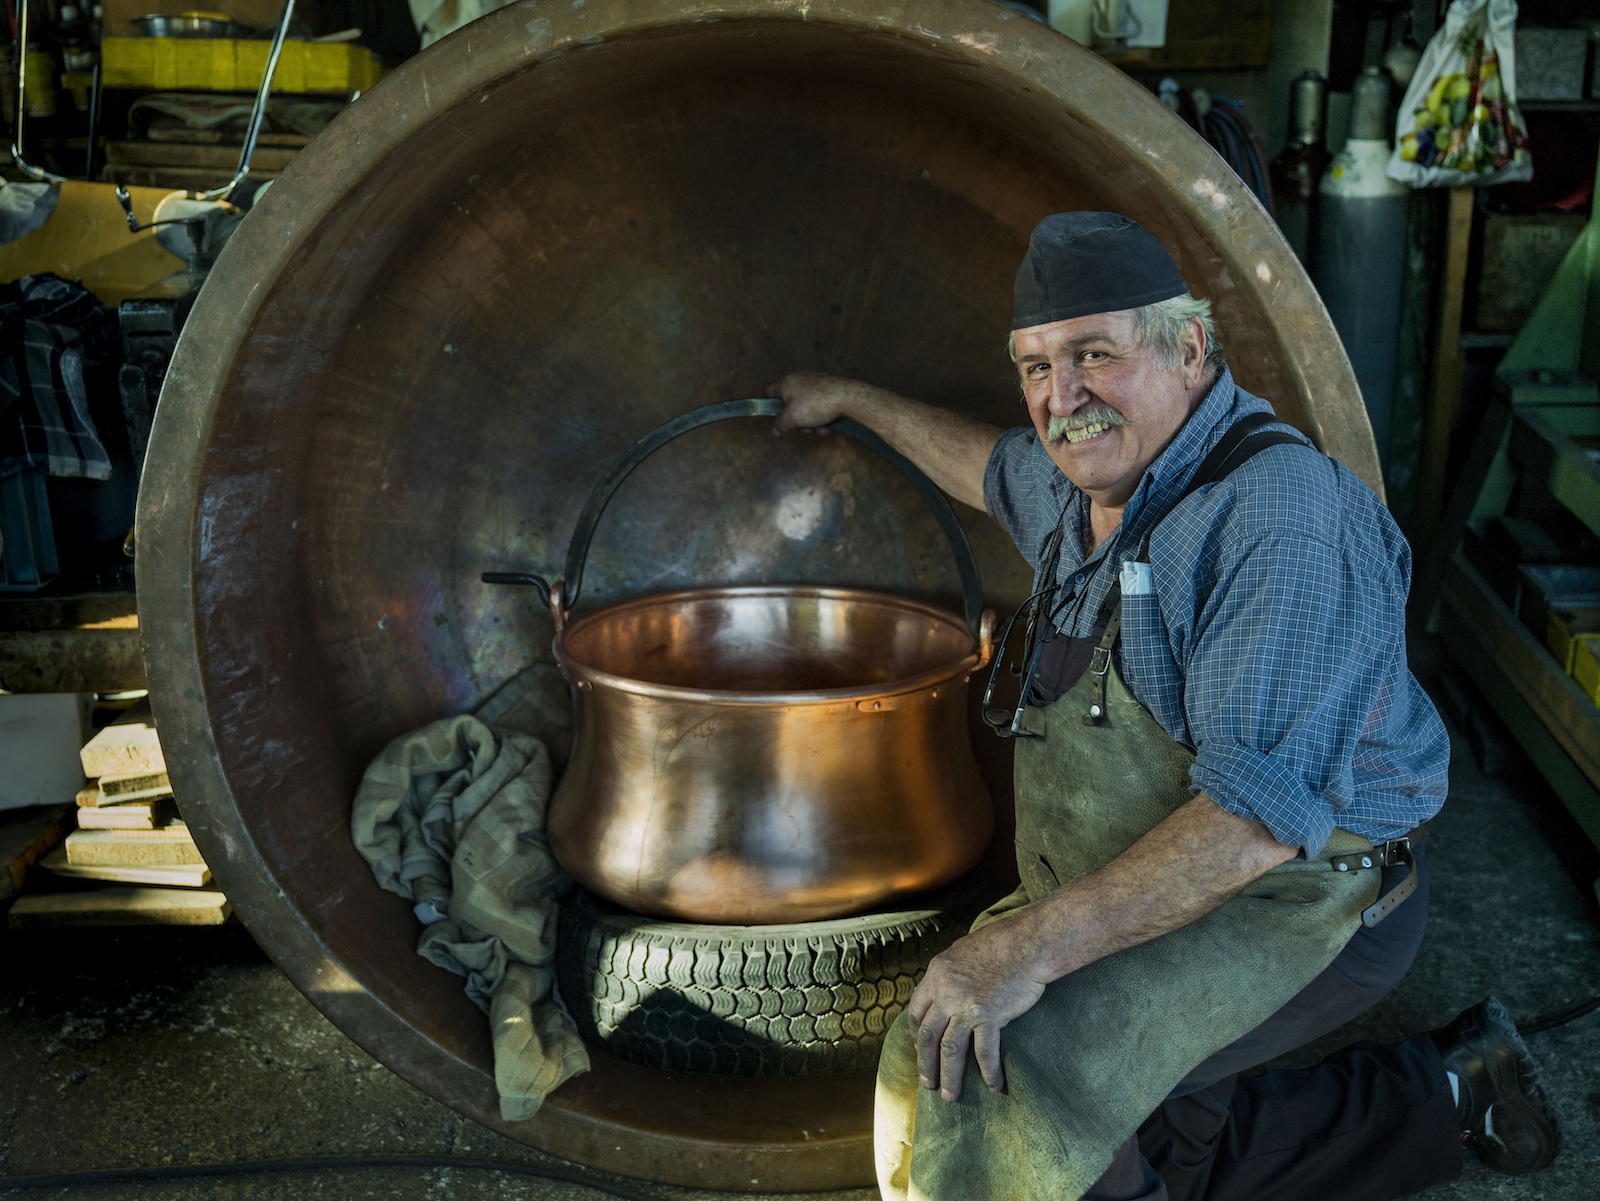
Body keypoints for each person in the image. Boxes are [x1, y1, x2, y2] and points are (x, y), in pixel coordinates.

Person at [767, 212, 1560, 1201]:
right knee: (1132, 1127)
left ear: (1190, 348)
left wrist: (1023, 946)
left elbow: (1252, 825)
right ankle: (1448, 1090)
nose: (1063, 399)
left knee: (1019, 1079)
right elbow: (983, 461)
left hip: (1305, 897)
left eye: (1094, 354)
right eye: (1036, 366)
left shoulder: (1275, 521)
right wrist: (853, 398)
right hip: (1153, 871)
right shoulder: (1090, 483)